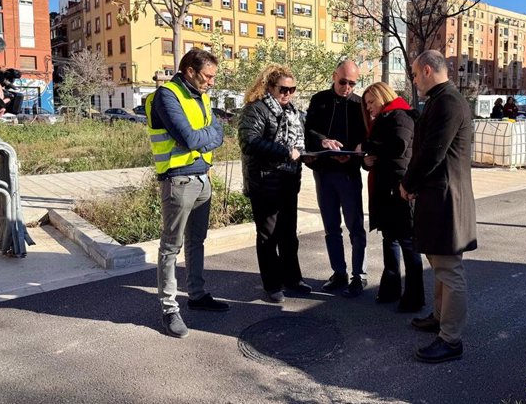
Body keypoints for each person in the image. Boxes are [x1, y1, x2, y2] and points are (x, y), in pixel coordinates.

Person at [400, 50, 477, 364]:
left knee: (449, 268)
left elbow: (432, 152)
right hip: (440, 197)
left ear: (428, 70)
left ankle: (451, 339)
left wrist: (409, 183)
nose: (415, 81)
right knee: (440, 265)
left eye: (416, 75)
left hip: (448, 200)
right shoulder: (442, 99)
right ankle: (438, 317)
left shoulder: (447, 102)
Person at [145, 48, 228, 339]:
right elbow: (190, 137)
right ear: (190, 71)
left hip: (203, 178)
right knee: (171, 247)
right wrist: (206, 138)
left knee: (197, 241)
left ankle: (197, 294)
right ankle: (169, 309)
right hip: (178, 180)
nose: (211, 82)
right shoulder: (166, 96)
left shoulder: (201, 96)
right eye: (208, 76)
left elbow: (219, 131)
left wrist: (205, 138)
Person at [238, 64, 311, 303]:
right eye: (283, 88)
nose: (288, 93)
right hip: (264, 182)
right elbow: (249, 141)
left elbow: (304, 140)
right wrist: (283, 152)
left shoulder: (292, 112)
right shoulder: (256, 109)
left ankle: (293, 279)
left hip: (288, 180)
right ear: (269, 87)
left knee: (289, 234)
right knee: (268, 235)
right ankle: (272, 284)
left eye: (292, 89)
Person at [305, 60, 367, 297]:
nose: (347, 87)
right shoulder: (319, 99)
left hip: (349, 173)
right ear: (334, 76)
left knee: (355, 227)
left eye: (352, 83)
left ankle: (358, 275)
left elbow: (364, 138)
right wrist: (322, 140)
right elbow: (308, 129)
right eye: (343, 82)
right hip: (324, 173)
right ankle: (339, 272)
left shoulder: (359, 104)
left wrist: (352, 156)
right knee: (331, 227)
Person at [360, 82, 425, 312]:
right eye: (366, 103)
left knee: (407, 243)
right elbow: (381, 155)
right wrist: (366, 160)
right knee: (390, 240)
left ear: (382, 96)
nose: (368, 107)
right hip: (387, 189)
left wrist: (367, 146)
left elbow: (397, 146)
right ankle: (391, 288)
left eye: (371, 102)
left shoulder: (400, 115)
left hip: (401, 189)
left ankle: (414, 296)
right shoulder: (386, 117)